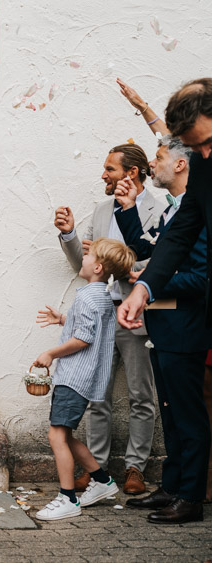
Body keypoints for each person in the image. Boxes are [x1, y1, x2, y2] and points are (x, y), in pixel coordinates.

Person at [119, 77, 212, 523]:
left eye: (206, 143)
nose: (204, 154)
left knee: (188, 418)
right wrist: (144, 286)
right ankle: (174, 486)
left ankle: (190, 497)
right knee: (171, 414)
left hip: (189, 327)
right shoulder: (192, 195)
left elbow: (198, 275)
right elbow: (173, 244)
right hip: (165, 325)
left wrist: (158, 282)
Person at [54, 143, 160, 494]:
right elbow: (82, 264)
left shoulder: (160, 210)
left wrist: (131, 269)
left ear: (131, 173)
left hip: (139, 312)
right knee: (96, 392)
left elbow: (158, 264)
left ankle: (135, 467)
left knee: (140, 393)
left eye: (109, 169)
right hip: (101, 313)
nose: (103, 175)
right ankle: (96, 469)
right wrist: (70, 234)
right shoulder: (101, 210)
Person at [33, 238, 137, 521]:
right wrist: (62, 319)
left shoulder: (87, 296)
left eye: (89, 255)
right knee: (64, 435)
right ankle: (102, 481)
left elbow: (83, 338)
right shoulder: (101, 296)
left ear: (99, 267)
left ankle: (67, 498)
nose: (84, 257)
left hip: (74, 376)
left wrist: (50, 353)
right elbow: (89, 326)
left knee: (56, 436)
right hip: (84, 377)